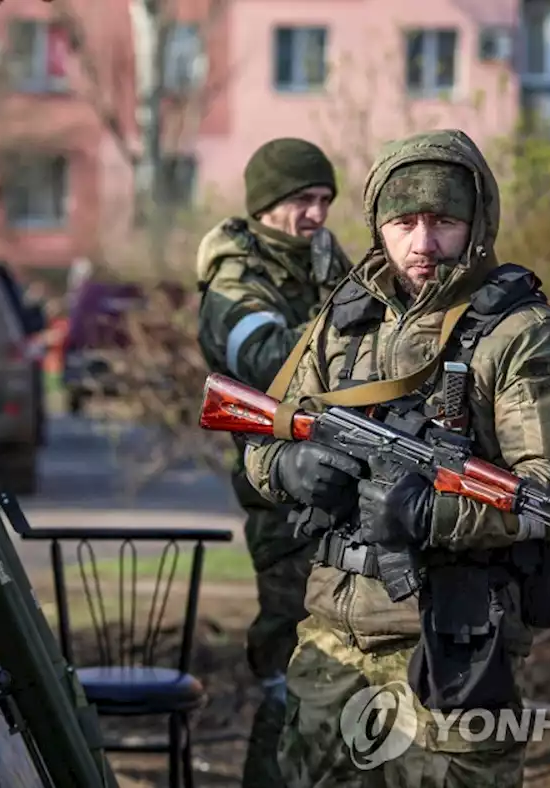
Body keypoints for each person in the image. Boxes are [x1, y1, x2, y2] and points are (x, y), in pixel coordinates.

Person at [242, 128, 550, 787]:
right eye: (404, 222)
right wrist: (288, 469)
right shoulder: (341, 323)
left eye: (444, 221)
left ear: (477, 222)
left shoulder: (522, 339)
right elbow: (265, 437)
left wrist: (432, 513)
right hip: (330, 641)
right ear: (379, 225)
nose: (424, 243)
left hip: (449, 648)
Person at [195, 137, 355, 786]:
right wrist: (355, 329)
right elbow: (269, 364)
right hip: (281, 498)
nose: (315, 215)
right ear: (266, 205)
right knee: (291, 672)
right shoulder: (234, 280)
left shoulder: (322, 262)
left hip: (343, 492)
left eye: (323, 200)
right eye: (300, 201)